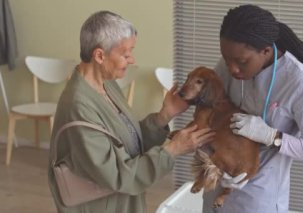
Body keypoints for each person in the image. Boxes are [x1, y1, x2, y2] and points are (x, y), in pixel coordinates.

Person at [47, 11, 215, 213]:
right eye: (126, 54)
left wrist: (164, 116)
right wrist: (173, 150)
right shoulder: (78, 107)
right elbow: (119, 175)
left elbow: (127, 145)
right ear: (100, 55)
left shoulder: (106, 85)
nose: (132, 59)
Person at [202, 4, 303, 213]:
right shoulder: (230, 64)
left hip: (259, 199)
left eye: (241, 61)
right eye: (226, 60)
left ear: (266, 51)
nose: (232, 69)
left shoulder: (300, 83)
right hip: (216, 185)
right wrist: (207, 154)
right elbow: (210, 110)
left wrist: (274, 137)